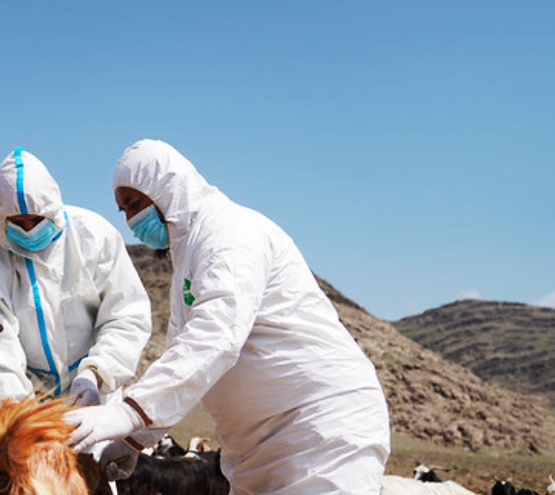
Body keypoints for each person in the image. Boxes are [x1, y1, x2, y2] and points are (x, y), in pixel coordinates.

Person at [65, 139, 391, 494]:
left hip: (319, 432)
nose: (131, 220)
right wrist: (135, 439)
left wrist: (128, 414)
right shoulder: (189, 260)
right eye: (123, 210)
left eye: (135, 204)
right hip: (257, 449)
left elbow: (215, 338)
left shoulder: (230, 236)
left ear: (165, 189)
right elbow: (183, 355)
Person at [0, 148, 151, 407]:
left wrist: (95, 373)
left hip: (95, 396)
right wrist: (18, 412)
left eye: (36, 220)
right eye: (18, 222)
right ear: (0, 218)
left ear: (51, 209)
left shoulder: (95, 236)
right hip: (28, 399)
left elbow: (125, 316)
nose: (28, 231)